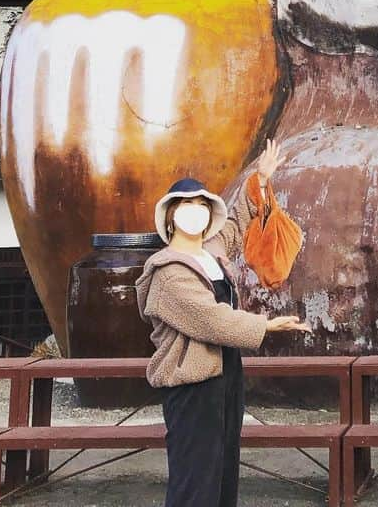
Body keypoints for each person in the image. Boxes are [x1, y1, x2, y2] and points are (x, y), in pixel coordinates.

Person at [137, 140, 310, 507]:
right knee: (194, 474)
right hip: (192, 382)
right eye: (186, 205)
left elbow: (238, 221)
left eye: (202, 205)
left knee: (223, 467)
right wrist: (266, 326)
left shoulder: (212, 252)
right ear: (170, 216)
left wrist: (261, 179)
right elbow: (210, 319)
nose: (195, 212)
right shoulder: (168, 271)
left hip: (226, 371)